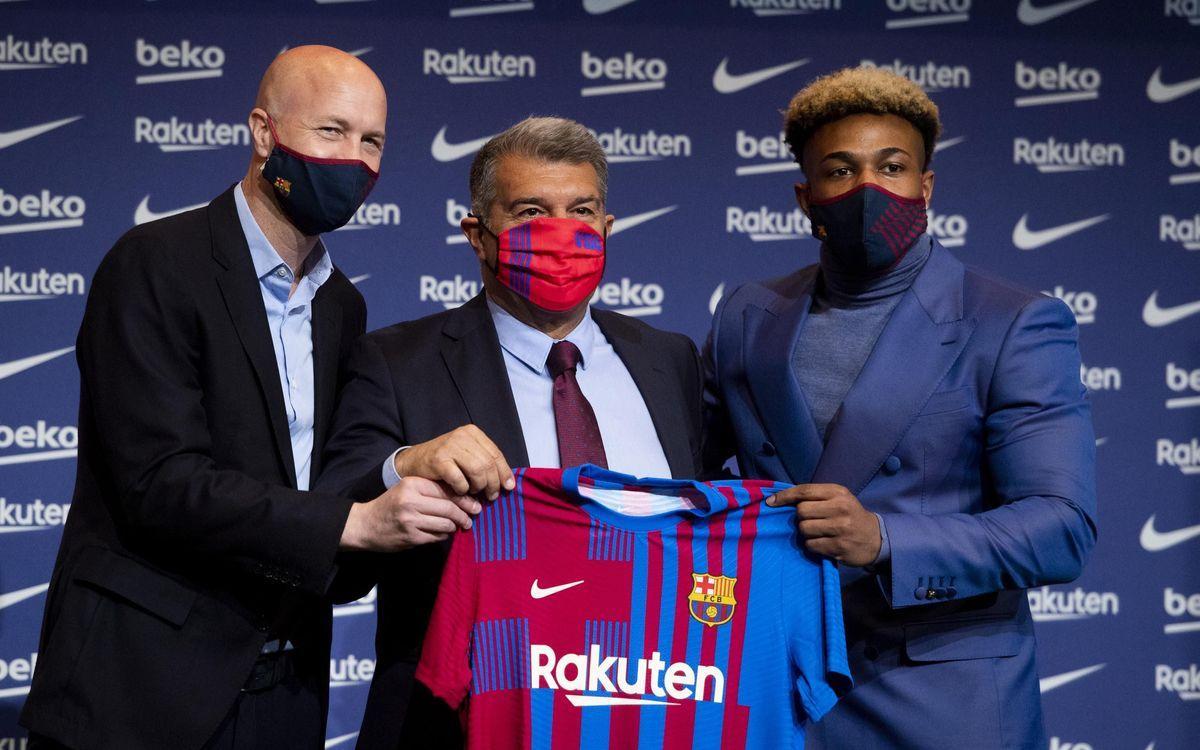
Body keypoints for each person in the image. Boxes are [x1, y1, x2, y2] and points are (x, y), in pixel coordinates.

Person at [20, 46, 477, 750]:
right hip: (139, 694)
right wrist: (350, 526)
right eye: (331, 131)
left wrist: (398, 471)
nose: (354, 161)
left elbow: (319, 485)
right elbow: (159, 484)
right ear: (264, 132)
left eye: (372, 141)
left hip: (284, 698)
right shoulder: (154, 264)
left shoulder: (343, 309)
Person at [704, 66, 1097, 749]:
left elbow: (1061, 529)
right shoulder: (748, 313)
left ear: (926, 186)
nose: (868, 189)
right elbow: (678, 470)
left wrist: (885, 541)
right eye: (839, 170)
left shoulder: (1013, 322)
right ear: (806, 197)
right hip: (775, 687)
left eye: (892, 166)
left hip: (941, 698)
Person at [317, 116, 706, 748]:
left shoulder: (670, 359)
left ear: (608, 229)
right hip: (460, 721)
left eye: (582, 211)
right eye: (529, 212)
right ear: (477, 234)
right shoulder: (398, 360)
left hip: (651, 717)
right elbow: (332, 531)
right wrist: (405, 464)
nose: (561, 233)